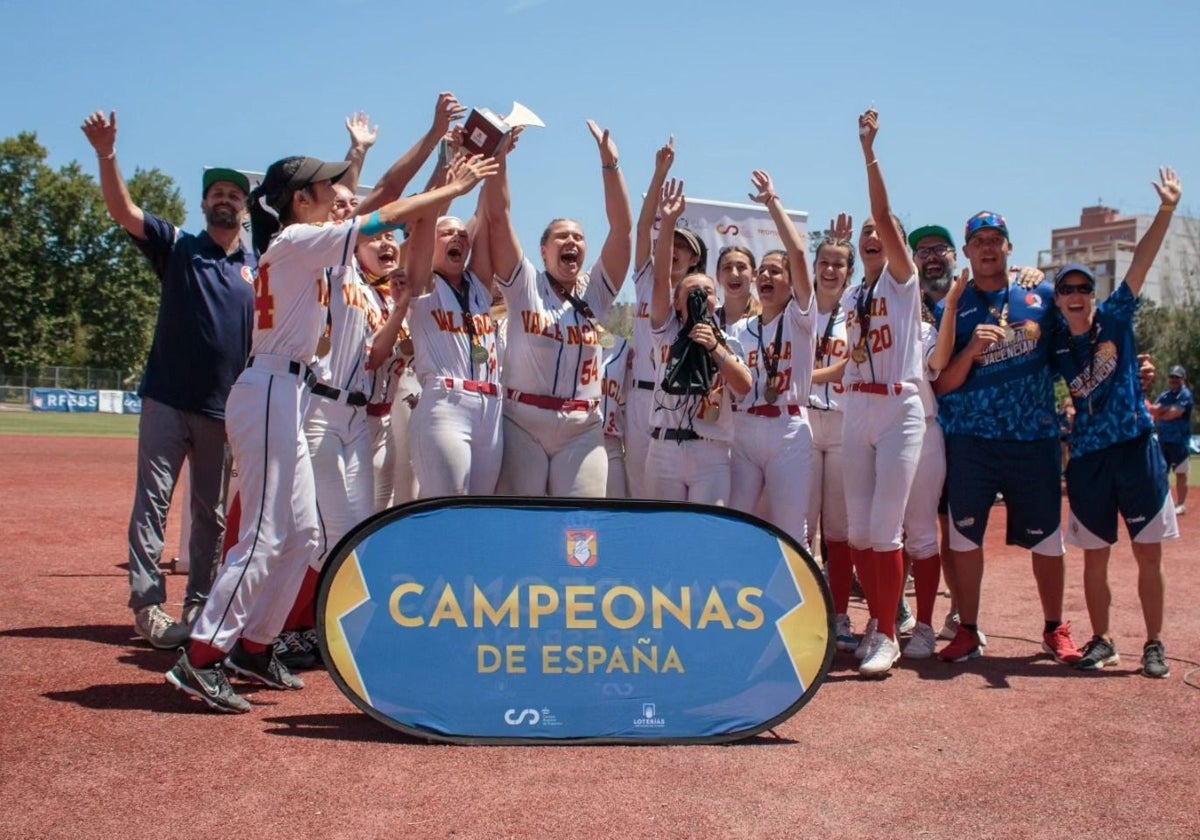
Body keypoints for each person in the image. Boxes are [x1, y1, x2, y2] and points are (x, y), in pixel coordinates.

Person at [165, 135, 496, 713]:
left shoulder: (309, 246)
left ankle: (254, 644)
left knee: (305, 537)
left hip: (288, 390)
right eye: (329, 186)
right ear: (301, 198)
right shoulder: (296, 240)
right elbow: (386, 213)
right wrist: (452, 188)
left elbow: (379, 213)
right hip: (272, 384)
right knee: (267, 535)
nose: (341, 193)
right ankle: (201, 657)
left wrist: (436, 173)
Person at [82, 110, 255, 650]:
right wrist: (108, 154)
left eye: (234, 193)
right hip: (167, 400)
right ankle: (149, 607)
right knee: (152, 503)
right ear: (205, 204)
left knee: (212, 516)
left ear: (246, 209)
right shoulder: (179, 246)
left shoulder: (259, 266)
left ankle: (199, 605)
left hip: (224, 411)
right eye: (216, 193)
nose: (224, 199)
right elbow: (124, 210)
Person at [933, 207, 1082, 665]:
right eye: (979, 241)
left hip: (1033, 437)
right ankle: (969, 629)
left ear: (1009, 248)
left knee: (1047, 539)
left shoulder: (1041, 293)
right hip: (971, 439)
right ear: (967, 252)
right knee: (963, 538)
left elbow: (1075, 340)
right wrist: (972, 351)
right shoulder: (950, 308)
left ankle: (1055, 628)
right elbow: (941, 383)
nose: (988, 247)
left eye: (996, 239)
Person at [1051, 167, 1181, 678]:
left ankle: (1154, 643)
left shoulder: (1117, 318)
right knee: (1094, 557)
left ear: (1094, 293)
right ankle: (1102, 640)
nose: (1077, 294)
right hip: (1087, 460)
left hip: (1135, 450)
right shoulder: (1054, 342)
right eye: (1068, 289)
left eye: (1084, 286)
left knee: (1149, 555)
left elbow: (1143, 261)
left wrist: (1167, 210)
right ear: (1059, 300)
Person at [486, 120, 634, 497]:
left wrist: (611, 167)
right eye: (562, 236)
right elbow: (499, 217)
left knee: (580, 532)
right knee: (525, 527)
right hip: (523, 423)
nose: (572, 241)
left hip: (582, 427)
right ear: (544, 250)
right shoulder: (524, 286)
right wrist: (499, 159)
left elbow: (621, 232)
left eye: (579, 237)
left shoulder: (596, 292)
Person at [838, 110, 926, 677]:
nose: (873, 236)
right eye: (866, 235)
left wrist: (869, 152)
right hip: (856, 406)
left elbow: (884, 216)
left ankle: (888, 632)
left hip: (898, 406)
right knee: (859, 530)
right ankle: (877, 622)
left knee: (887, 527)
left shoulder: (902, 280)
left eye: (879, 233)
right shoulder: (852, 295)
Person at [646, 178, 752, 502]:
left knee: (705, 535)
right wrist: (667, 224)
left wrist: (714, 348)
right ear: (676, 302)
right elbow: (662, 276)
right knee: (665, 537)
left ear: (716, 300)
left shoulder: (728, 340)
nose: (699, 297)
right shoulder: (664, 329)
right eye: (690, 292)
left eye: (707, 292)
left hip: (710, 453)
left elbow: (745, 386)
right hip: (664, 447)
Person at [726, 170, 816, 548]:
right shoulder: (741, 330)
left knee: (791, 529)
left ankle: (804, 605)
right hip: (745, 429)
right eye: (761, 271)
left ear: (790, 280)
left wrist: (772, 203)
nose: (765, 276)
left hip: (789, 430)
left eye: (775, 272)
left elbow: (797, 253)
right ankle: (739, 599)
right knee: (738, 521)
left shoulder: (800, 318)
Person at [627, 137, 707, 498]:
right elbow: (643, 230)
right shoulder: (646, 280)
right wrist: (659, 174)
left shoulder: (699, 299)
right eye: (670, 243)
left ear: (695, 259)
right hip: (641, 395)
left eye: (683, 247)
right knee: (640, 494)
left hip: (677, 403)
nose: (674, 251)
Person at [807, 216, 854, 650]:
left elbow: (849, 366)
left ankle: (841, 616)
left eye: (840, 264)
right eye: (824, 261)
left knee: (838, 532)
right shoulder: (795, 309)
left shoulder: (856, 310)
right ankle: (804, 614)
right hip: (802, 425)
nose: (831, 270)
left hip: (842, 426)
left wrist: (804, 376)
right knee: (804, 529)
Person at [1152, 365, 1193, 515]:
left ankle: (1181, 504)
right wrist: (1164, 411)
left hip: (1180, 441)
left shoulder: (1186, 395)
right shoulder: (1164, 395)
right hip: (1164, 440)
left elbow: (1174, 414)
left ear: (1183, 379)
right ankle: (1163, 503)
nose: (1174, 380)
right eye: (1172, 377)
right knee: (1161, 472)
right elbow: (1154, 411)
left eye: (1177, 377)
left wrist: (1163, 412)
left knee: (1181, 473)